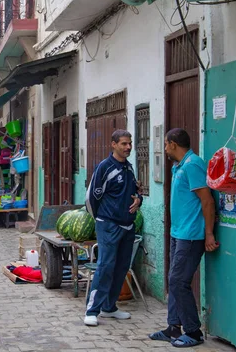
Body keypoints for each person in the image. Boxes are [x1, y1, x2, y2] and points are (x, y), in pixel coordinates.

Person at [149, 128, 218, 347]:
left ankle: (193, 332)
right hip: (178, 233)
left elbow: (207, 201)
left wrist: (208, 233)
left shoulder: (193, 164)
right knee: (173, 279)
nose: (165, 148)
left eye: (166, 144)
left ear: (172, 144)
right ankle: (173, 327)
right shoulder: (179, 166)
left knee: (178, 281)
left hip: (191, 235)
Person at [84, 129, 142, 327]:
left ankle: (109, 307)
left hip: (128, 226)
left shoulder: (129, 168)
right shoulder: (105, 167)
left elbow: (135, 191)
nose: (128, 147)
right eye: (124, 144)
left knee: (121, 267)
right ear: (113, 144)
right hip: (109, 225)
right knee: (106, 266)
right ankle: (92, 311)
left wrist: (139, 200)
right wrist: (101, 219)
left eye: (130, 143)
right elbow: (91, 198)